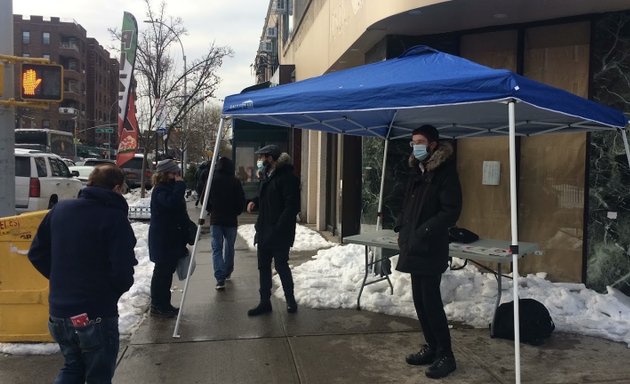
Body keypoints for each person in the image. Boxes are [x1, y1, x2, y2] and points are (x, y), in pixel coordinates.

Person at [28, 164, 137, 383]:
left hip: (59, 312)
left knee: (72, 367)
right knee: (98, 376)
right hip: (96, 313)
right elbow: (123, 271)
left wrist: (62, 280)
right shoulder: (114, 218)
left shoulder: (60, 210)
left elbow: (36, 253)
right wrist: (109, 292)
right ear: (116, 188)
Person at [395, 124, 462, 379]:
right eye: (413, 142)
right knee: (420, 302)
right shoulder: (417, 171)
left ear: (433, 144)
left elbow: (451, 211)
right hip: (412, 246)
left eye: (420, 141)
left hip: (431, 247)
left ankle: (447, 354)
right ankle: (432, 347)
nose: (416, 146)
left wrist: (423, 231)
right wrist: (401, 224)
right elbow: (407, 202)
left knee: (431, 302)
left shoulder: (445, 173)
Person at [246, 144, 300, 316]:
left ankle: (290, 300)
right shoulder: (267, 176)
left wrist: (278, 227)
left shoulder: (287, 178)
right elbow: (266, 195)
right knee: (263, 266)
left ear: (271, 158)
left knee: (281, 265)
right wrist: (255, 200)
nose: (260, 161)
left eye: (262, 157)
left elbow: (291, 207)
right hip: (263, 229)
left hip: (279, 232)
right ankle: (264, 302)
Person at [149, 158, 190, 317]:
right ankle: (158, 304)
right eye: (174, 173)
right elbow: (171, 203)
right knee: (162, 273)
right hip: (163, 239)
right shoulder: (160, 190)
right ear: (165, 174)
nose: (177, 176)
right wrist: (180, 185)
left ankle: (164, 304)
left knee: (167, 274)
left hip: (171, 238)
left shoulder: (169, 188)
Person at [206, 156, 246, 290]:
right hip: (231, 219)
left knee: (216, 248)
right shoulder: (235, 181)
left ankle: (219, 277)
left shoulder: (212, 180)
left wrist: (210, 209)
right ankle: (228, 271)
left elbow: (205, 199)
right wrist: (237, 211)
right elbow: (241, 200)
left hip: (216, 219)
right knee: (229, 247)